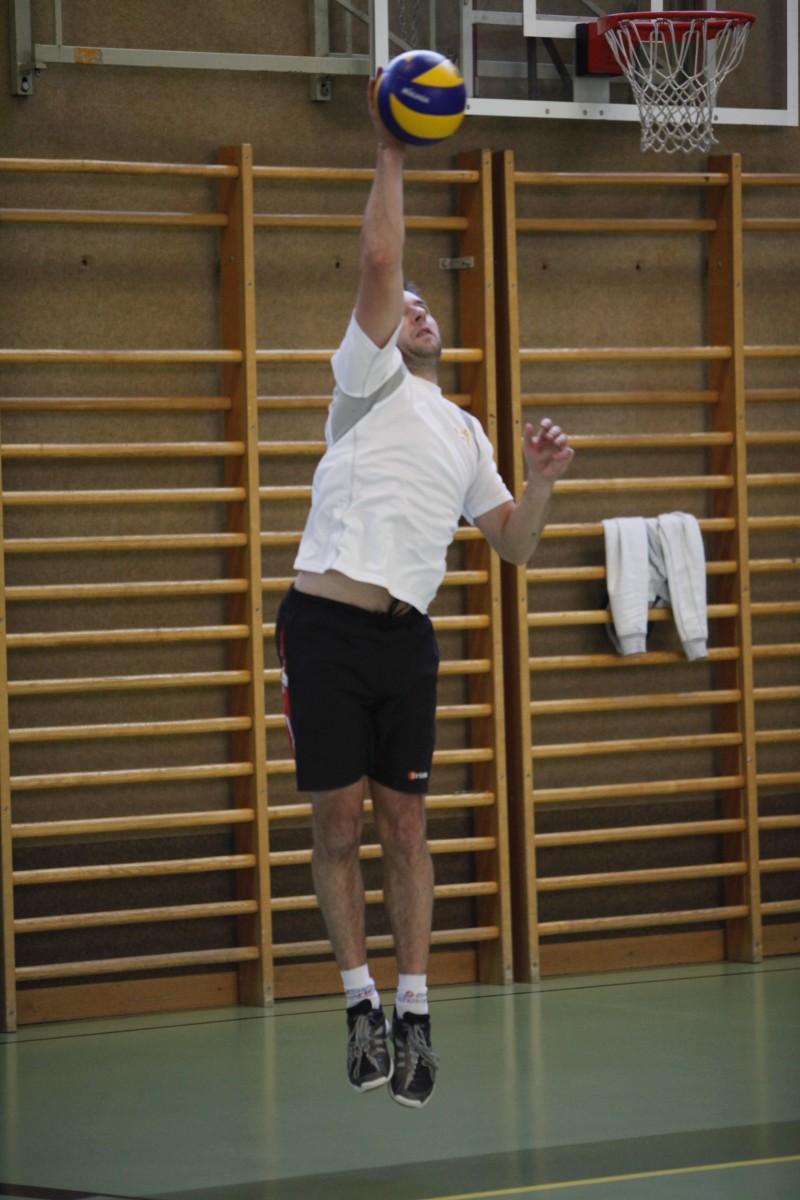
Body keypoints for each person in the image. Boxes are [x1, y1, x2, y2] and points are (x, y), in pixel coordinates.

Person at [275, 74, 574, 1109]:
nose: (414, 307)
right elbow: (379, 259)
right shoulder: (365, 384)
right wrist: (392, 148)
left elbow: (514, 546)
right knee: (338, 823)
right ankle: (356, 998)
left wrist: (539, 483)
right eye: (403, 306)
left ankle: (413, 1010)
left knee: (406, 825)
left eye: (422, 305)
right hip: (323, 626)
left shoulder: (465, 432)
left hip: (405, 641)